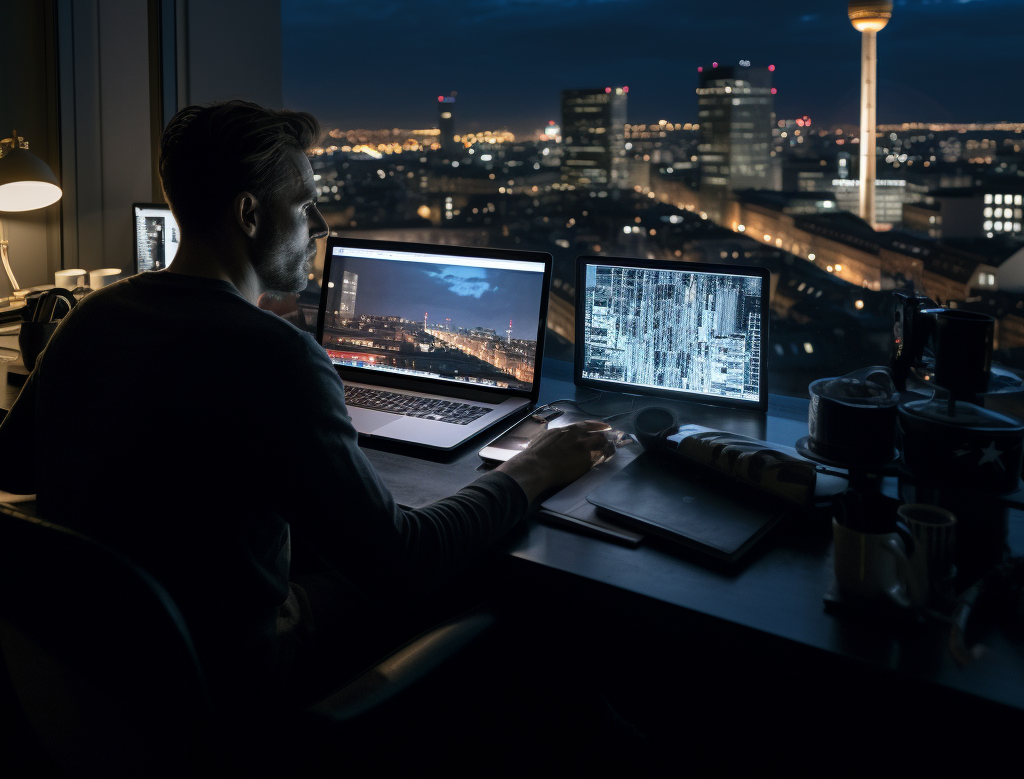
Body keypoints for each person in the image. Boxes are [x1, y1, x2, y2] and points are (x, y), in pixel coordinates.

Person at [0, 101, 614, 713]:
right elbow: (400, 562)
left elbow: (15, 469)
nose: (318, 223)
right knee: (476, 581)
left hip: (96, 666)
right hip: (232, 677)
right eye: (303, 204)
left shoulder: (89, 319)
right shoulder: (275, 356)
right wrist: (533, 467)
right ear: (248, 213)